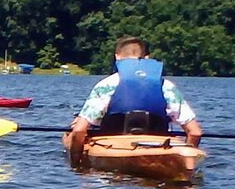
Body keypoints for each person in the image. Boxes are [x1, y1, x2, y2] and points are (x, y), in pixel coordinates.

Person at [66, 36, 202, 163]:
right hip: (159, 146)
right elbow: (195, 132)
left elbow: (79, 131)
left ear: (117, 58)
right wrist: (186, 161)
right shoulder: (167, 86)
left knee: (74, 127)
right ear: (146, 58)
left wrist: (76, 163)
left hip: (113, 145)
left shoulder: (106, 85)